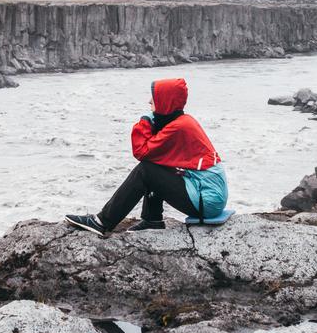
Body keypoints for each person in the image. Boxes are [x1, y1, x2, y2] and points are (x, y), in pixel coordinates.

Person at [65, 77, 228, 236]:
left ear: (166, 102)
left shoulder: (179, 126)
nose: (149, 101)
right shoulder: (183, 121)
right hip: (207, 195)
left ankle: (102, 222)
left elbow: (141, 151)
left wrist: (145, 121)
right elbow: (156, 156)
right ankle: (152, 220)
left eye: (155, 98)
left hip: (205, 201)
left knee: (146, 169)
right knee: (156, 165)